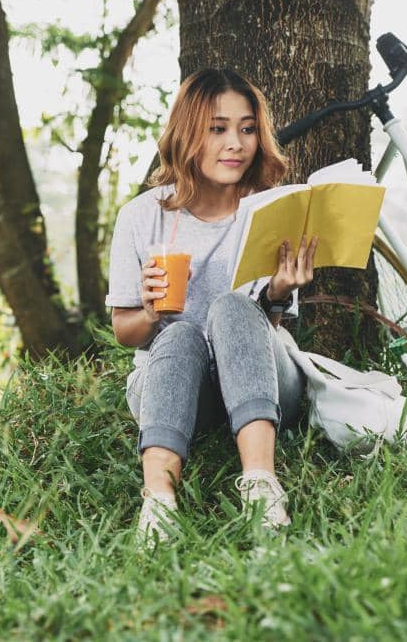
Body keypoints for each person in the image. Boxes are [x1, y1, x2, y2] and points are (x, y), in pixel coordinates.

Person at [105, 67, 320, 545]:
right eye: (218, 129)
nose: (236, 144)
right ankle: (158, 502)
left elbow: (270, 328)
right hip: (174, 388)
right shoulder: (142, 217)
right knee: (179, 333)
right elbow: (125, 332)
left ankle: (261, 487)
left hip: (262, 383)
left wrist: (280, 292)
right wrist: (152, 313)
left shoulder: (269, 210)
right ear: (188, 133)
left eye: (247, 129)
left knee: (231, 308)